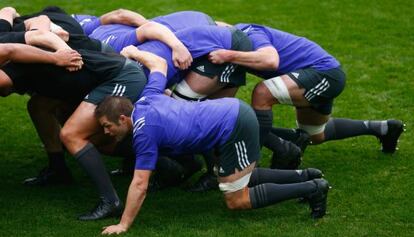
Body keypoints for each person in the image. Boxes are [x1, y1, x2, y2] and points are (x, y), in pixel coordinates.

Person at [95, 51, 331, 235]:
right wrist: (133, 51)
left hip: (234, 124)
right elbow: (158, 64)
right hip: (230, 116)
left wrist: (124, 224)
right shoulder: (147, 98)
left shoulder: (144, 133)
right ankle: (306, 175)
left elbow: (140, 184)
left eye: (107, 125)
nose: (106, 132)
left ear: (124, 118)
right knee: (234, 177)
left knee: (236, 199)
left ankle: (313, 189)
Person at [208, 23, 405, 168]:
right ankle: (383, 128)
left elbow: (270, 61)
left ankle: (251, 161)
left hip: (324, 73)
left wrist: (228, 55)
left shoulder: (248, 31)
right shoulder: (234, 41)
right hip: (314, 74)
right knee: (315, 134)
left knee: (262, 93)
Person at [0, 37, 149, 220]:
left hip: (120, 77)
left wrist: (57, 54)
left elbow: (5, 73)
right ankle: (58, 169)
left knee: (73, 135)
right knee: (38, 106)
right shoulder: (15, 40)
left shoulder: (10, 50)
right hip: (94, 79)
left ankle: (111, 201)